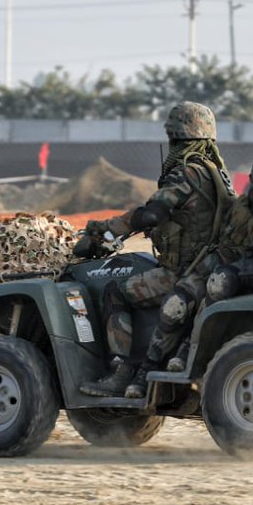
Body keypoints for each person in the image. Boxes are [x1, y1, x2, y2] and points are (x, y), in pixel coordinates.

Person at [78, 101, 235, 399]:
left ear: (175, 137)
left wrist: (107, 228)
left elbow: (152, 213)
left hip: (182, 272)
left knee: (115, 292)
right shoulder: (219, 176)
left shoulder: (185, 174)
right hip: (209, 269)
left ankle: (120, 371)